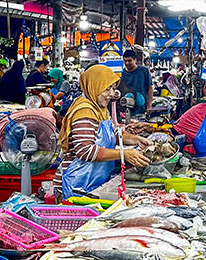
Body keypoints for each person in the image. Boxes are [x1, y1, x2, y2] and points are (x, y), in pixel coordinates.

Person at [54, 65, 151, 200]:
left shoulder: (99, 108)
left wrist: (135, 139)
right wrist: (123, 154)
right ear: (94, 86)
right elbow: (85, 151)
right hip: (75, 183)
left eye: (113, 88)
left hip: (91, 181)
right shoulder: (85, 111)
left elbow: (108, 135)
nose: (112, 94)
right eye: (107, 89)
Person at [121, 50, 152, 117]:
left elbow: (150, 88)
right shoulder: (121, 73)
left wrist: (149, 106)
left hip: (142, 109)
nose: (127, 63)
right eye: (125, 61)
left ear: (135, 60)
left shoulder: (144, 71)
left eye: (129, 61)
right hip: (125, 109)